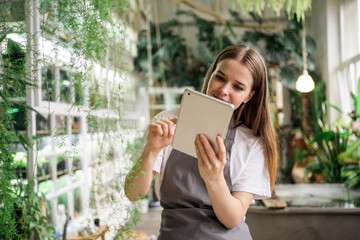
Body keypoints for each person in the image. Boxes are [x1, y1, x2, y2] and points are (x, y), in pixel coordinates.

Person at [125, 45, 278, 240]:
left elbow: (232, 219)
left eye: (238, 87)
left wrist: (214, 178)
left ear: (249, 96)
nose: (223, 90)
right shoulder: (167, 123)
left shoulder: (253, 144)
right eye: (220, 77)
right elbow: (132, 193)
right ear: (211, 74)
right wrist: (152, 150)